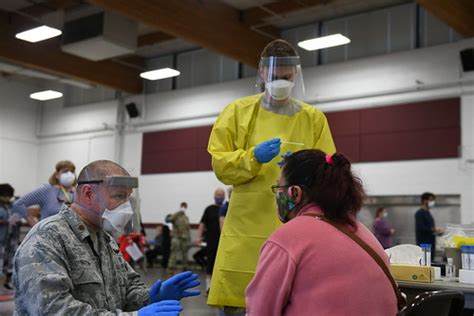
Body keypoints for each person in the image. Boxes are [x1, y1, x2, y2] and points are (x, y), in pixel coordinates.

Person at [207, 39, 336, 312]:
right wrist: (252, 157)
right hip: (246, 229)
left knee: (292, 300)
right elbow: (220, 164)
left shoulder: (313, 118)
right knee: (239, 302)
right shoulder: (237, 113)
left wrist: (305, 169)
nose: (281, 82)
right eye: (275, 77)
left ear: (296, 75)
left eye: (287, 78)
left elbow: (329, 170)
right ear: (263, 72)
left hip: (298, 229)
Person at [13, 160, 200, 314]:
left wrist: (150, 298)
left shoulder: (105, 240)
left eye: (128, 198)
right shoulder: (47, 237)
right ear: (88, 193)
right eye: (119, 196)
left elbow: (127, 288)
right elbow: (52, 309)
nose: (126, 207)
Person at [246, 150, 398, 315]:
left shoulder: (287, 238)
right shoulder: (361, 231)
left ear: (295, 193)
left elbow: (260, 310)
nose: (277, 195)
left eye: (279, 187)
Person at [12, 160, 77, 226]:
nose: (69, 174)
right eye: (65, 171)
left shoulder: (78, 192)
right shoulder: (47, 190)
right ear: (57, 175)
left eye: (72, 172)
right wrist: (34, 224)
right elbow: (18, 204)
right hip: (49, 234)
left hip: (71, 234)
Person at [196, 188, 225, 293]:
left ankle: (220, 285)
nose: (220, 197)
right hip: (211, 239)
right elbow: (202, 224)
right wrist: (198, 237)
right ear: (214, 196)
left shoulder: (227, 208)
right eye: (218, 195)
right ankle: (208, 285)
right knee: (210, 261)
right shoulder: (209, 209)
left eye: (222, 195)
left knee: (222, 262)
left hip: (224, 240)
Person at [0, 183, 20, 290]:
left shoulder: (13, 205)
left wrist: (17, 219)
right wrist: (5, 221)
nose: (7, 197)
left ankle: (7, 282)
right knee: (1, 261)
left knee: (11, 261)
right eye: (5, 195)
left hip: (13, 237)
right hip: (1, 238)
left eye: (9, 195)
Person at [415, 192, 442, 261]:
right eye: (431, 200)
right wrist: (434, 229)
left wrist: (436, 231)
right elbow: (420, 228)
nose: (432, 202)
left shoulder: (428, 213)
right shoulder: (419, 213)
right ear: (424, 200)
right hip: (424, 245)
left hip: (431, 243)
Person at [166, 202, 191, 273]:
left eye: (185, 206)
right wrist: (178, 212)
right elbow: (168, 220)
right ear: (180, 207)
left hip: (184, 238)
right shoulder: (176, 216)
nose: (183, 208)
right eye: (182, 206)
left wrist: (189, 239)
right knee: (174, 253)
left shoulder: (186, 217)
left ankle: (185, 268)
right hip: (176, 237)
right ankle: (170, 268)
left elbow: (187, 229)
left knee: (185, 254)